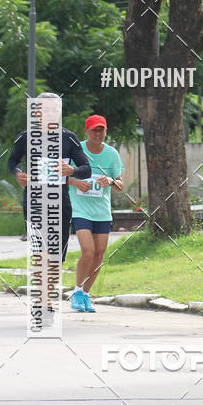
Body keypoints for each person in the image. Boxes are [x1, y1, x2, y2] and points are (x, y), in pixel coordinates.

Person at [8, 92, 91, 326]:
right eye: (46, 109)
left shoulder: (69, 138)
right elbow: (12, 161)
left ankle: (46, 300)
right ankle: (42, 303)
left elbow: (86, 169)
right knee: (40, 253)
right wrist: (18, 174)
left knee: (54, 255)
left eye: (56, 109)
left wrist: (71, 171)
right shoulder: (26, 137)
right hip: (34, 200)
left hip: (60, 203)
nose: (52, 113)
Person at [68, 114, 124, 313]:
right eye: (94, 130)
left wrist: (110, 181)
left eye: (101, 130)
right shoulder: (76, 150)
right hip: (80, 209)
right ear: (87, 131)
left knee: (99, 254)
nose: (98, 134)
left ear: (105, 131)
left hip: (102, 212)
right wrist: (76, 182)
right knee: (88, 251)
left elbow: (120, 184)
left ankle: (86, 294)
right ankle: (76, 291)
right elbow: (59, 175)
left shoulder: (112, 154)